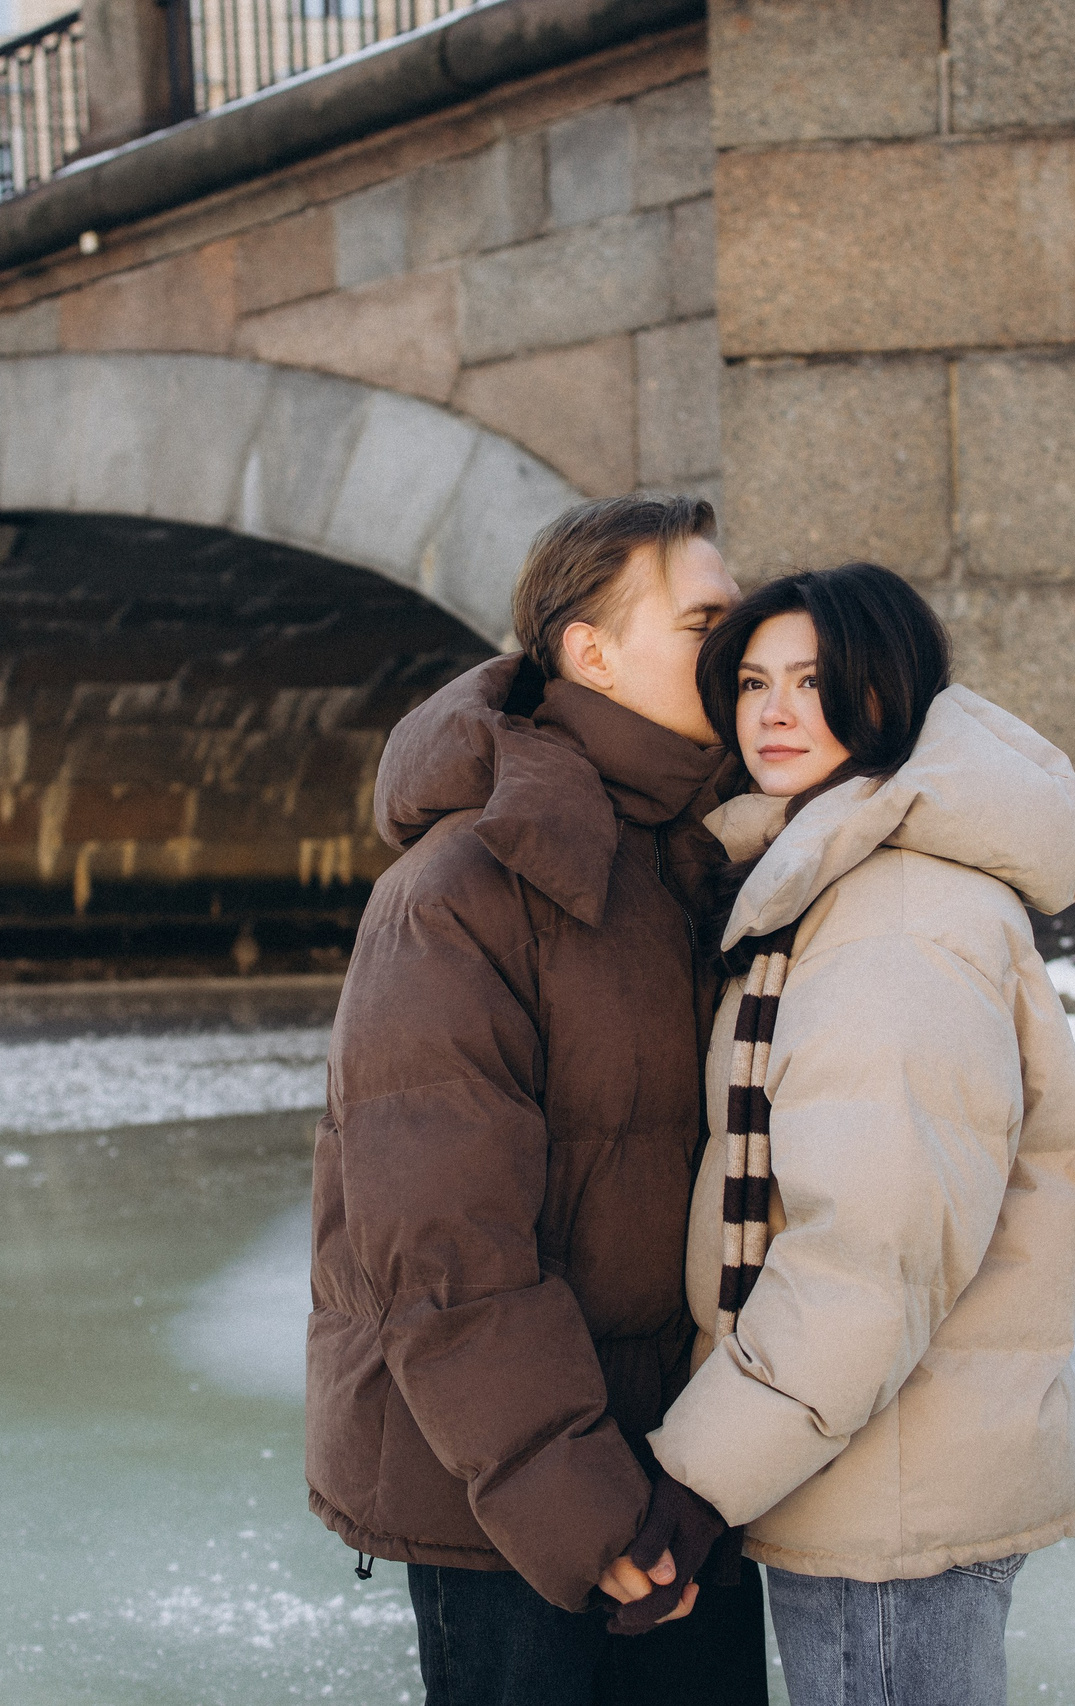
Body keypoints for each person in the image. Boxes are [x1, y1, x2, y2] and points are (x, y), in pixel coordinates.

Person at [304, 494, 772, 1705]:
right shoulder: (460, 889)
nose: (741, 649)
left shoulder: (694, 860)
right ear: (589, 650)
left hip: (678, 1485)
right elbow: (444, 1243)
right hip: (521, 1511)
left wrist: (694, 1480)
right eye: (703, 620)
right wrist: (583, 1506)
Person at [643, 562, 1075, 1706]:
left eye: (812, 680)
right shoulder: (829, 882)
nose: (774, 711)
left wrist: (698, 1480)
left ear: (888, 696)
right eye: (752, 682)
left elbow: (869, 1251)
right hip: (873, 1466)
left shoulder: (892, 919)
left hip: (887, 1495)